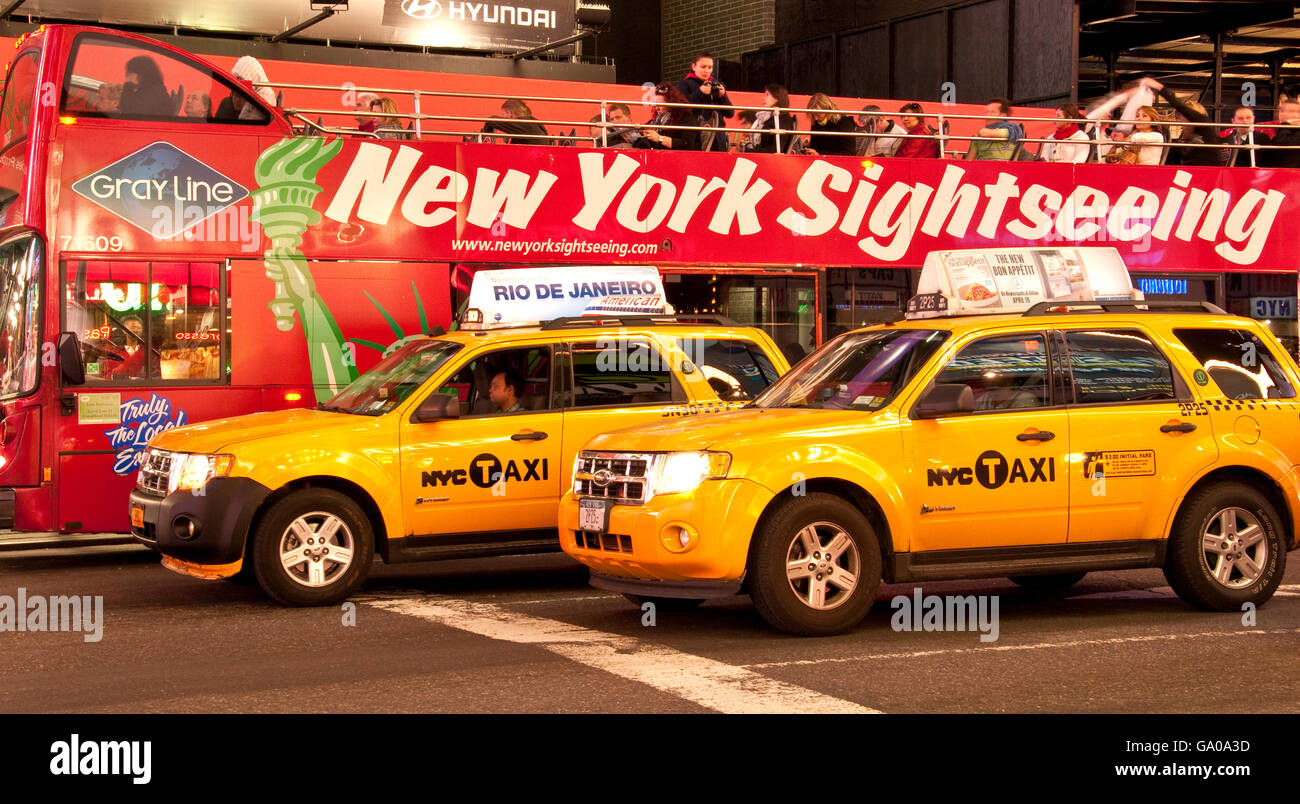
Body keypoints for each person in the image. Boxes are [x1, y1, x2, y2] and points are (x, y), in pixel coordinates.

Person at [676, 51, 735, 152]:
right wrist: (699, 92)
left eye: (710, 67)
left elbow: (730, 113)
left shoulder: (717, 85)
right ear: (694, 66)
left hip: (717, 133)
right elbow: (682, 109)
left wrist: (722, 96)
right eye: (703, 67)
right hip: (696, 133)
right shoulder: (684, 83)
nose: (707, 71)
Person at [636, 83, 700, 150]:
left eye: (660, 105)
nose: (656, 108)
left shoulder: (685, 118)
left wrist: (659, 138)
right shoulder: (658, 119)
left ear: (671, 103)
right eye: (655, 105)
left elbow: (688, 144)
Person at [743, 84, 799, 153]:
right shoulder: (770, 119)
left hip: (768, 160)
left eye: (767, 95)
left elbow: (774, 150)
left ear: (777, 98)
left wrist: (748, 151)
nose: (763, 98)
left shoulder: (783, 120)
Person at [481, 98, 551, 145]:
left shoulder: (526, 124)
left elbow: (491, 120)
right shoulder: (532, 124)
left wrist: (486, 136)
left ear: (510, 113)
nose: (504, 117)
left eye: (504, 114)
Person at [1259, 98, 1300, 168]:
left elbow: (1283, 143)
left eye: (1298, 112)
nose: (1296, 115)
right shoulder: (1278, 129)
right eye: (1282, 111)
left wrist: (1285, 123)